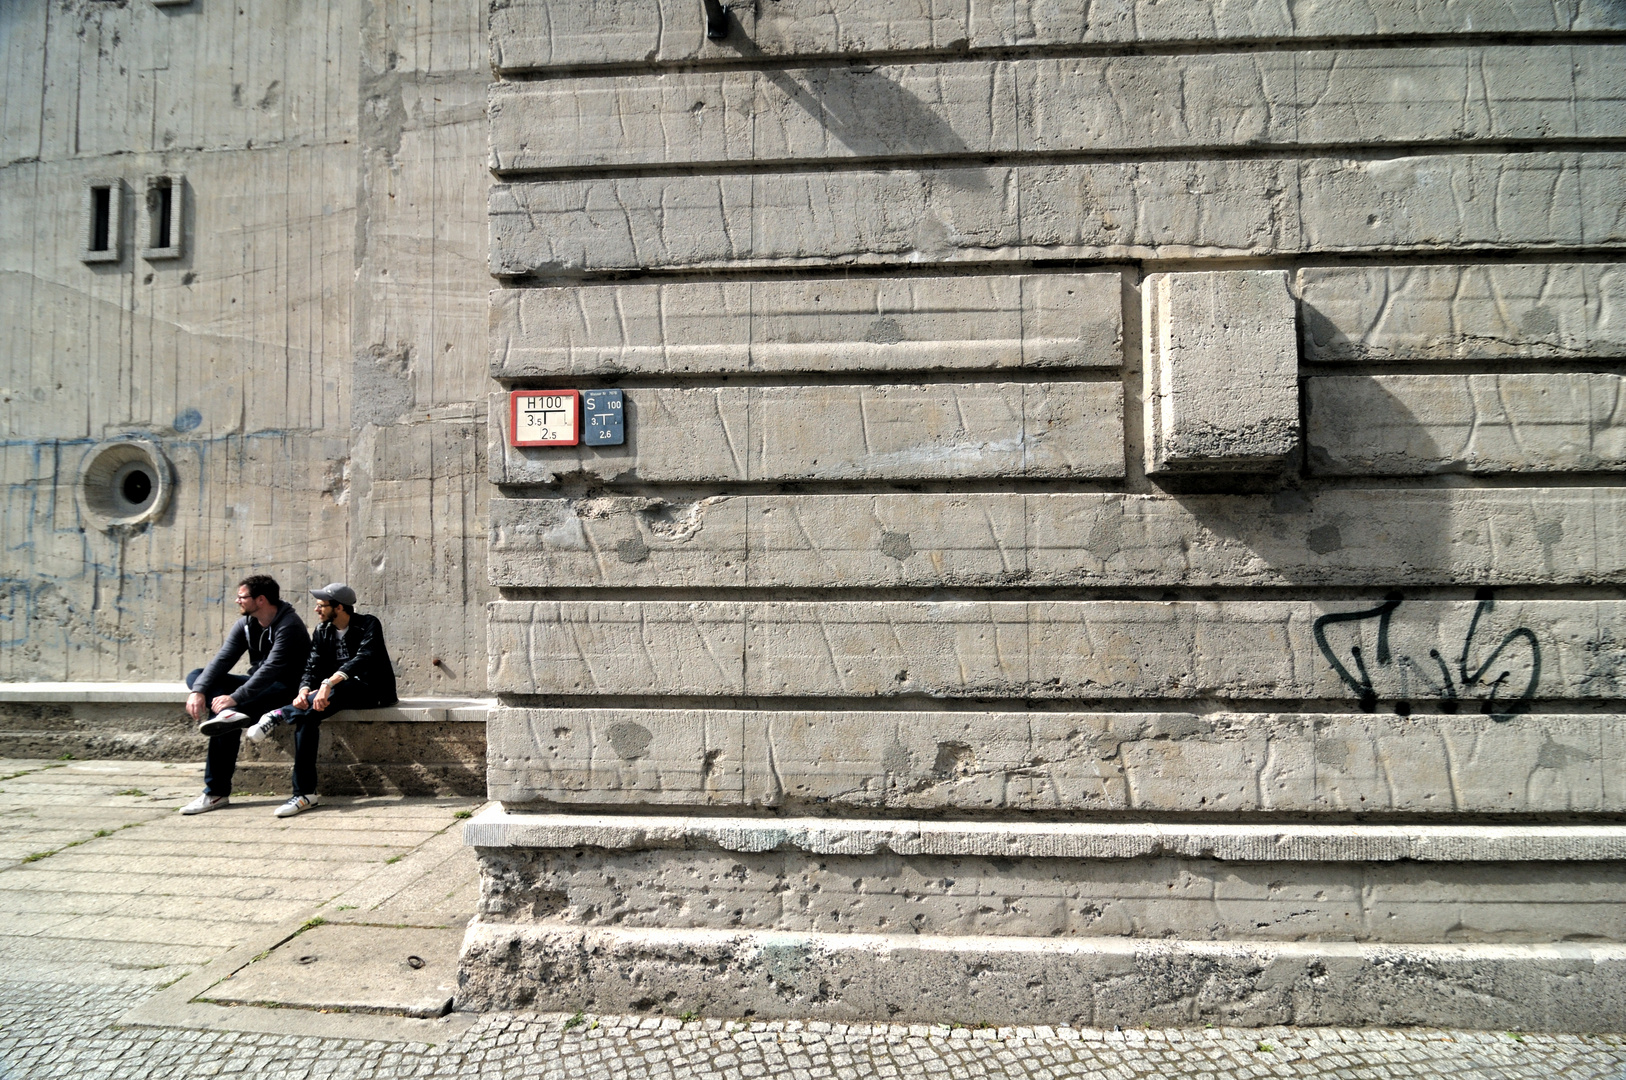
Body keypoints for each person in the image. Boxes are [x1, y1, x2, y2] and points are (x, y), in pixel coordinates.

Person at [244, 583, 398, 817]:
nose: (317, 610)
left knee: (344, 685)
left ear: (339, 607)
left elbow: (363, 659)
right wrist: (304, 690)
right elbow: (312, 664)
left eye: (321, 605)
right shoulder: (322, 630)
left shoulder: (368, 624)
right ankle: (305, 794)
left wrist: (327, 684)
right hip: (334, 693)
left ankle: (278, 715)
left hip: (372, 691)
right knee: (307, 715)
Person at [181, 575, 310, 816]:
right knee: (197, 676)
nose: (237, 601)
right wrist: (199, 691)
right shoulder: (246, 625)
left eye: (242, 597)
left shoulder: (289, 625)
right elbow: (223, 659)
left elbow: (272, 670)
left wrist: (234, 698)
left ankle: (216, 792)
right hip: (255, 685)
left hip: (285, 690)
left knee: (223, 717)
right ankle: (228, 715)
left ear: (260, 600)